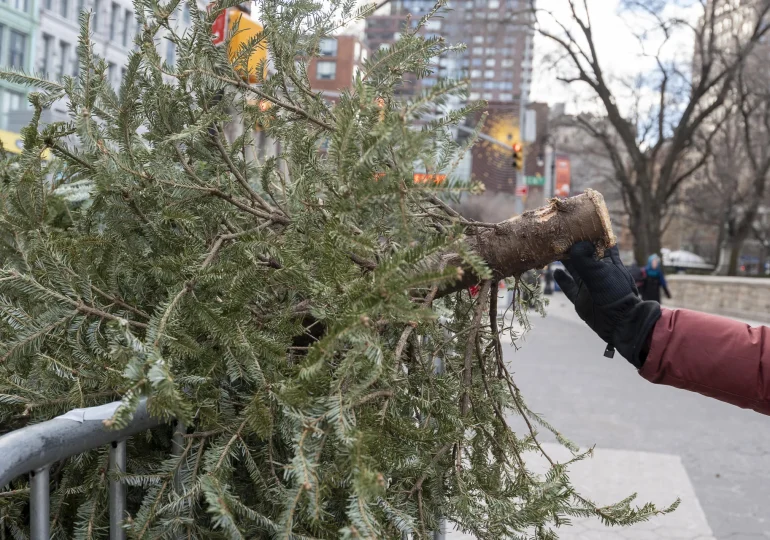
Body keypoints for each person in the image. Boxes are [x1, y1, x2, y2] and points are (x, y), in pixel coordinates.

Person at [554, 241, 770, 416]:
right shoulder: (646, 272)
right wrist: (641, 325)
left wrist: (639, 323)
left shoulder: (657, 274)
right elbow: (759, 362)